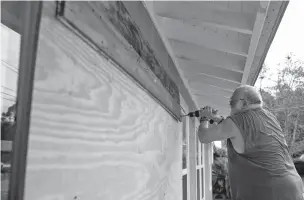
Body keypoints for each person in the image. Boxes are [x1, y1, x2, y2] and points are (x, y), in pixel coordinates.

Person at [197, 85, 304, 200]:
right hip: (294, 188)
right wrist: (218, 119)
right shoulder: (270, 118)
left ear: (243, 103)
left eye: (231, 103)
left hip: (268, 192)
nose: (230, 107)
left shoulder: (236, 121)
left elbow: (204, 136)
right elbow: (242, 131)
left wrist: (204, 118)